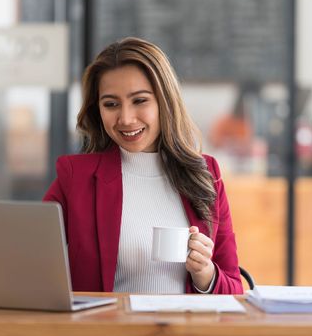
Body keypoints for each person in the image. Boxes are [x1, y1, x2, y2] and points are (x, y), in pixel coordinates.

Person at [43, 37, 243, 294]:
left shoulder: (206, 174)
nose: (125, 118)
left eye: (140, 100)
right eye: (111, 104)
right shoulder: (77, 177)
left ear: (164, 101)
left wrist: (206, 275)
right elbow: (32, 261)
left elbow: (235, 290)